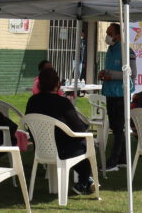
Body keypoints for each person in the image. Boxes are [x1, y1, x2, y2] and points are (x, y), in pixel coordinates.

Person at [25, 67, 94, 195]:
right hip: (63, 150)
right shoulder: (62, 102)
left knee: (78, 146)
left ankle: (86, 180)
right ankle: (84, 181)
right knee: (86, 145)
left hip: (41, 148)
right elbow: (79, 129)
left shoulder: (32, 101)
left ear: (39, 84)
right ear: (58, 84)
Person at [99, 22, 137, 171]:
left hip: (121, 94)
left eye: (110, 33)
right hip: (109, 93)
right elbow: (111, 69)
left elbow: (132, 74)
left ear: (118, 35)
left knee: (118, 128)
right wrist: (103, 73)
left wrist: (111, 76)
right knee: (116, 128)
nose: (107, 36)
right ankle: (123, 159)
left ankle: (113, 161)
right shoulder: (110, 49)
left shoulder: (127, 51)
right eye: (107, 33)